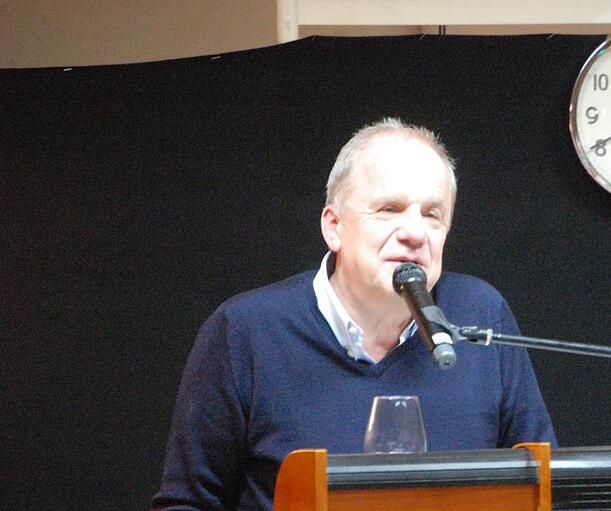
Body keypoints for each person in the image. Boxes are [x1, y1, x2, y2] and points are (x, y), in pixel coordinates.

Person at [151, 118, 556, 510]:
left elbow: (545, 492)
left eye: (432, 215)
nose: (414, 232)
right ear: (334, 227)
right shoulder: (244, 332)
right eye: (389, 209)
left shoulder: (481, 315)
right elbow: (186, 503)